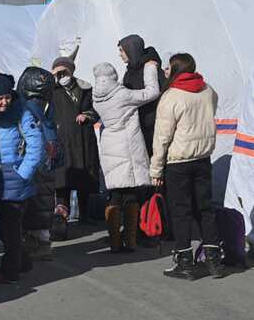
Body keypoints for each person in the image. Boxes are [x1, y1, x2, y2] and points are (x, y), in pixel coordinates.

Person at [150, 53, 222, 280]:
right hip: (202, 158)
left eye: (169, 69)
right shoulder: (207, 90)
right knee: (205, 209)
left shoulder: (171, 96)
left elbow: (162, 136)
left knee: (181, 212)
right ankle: (214, 260)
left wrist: (156, 169)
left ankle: (184, 262)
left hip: (178, 162)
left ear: (177, 69)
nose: (165, 72)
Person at [0, 74, 44, 284]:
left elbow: (36, 145)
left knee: (10, 228)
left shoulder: (22, 114)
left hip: (15, 178)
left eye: (7, 97)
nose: (4, 102)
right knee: (2, 229)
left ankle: (10, 271)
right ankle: (21, 260)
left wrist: (23, 172)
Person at [91, 59, 160, 253]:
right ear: (113, 76)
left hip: (109, 147)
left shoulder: (97, 98)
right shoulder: (122, 95)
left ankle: (114, 242)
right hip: (127, 148)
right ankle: (129, 241)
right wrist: (150, 68)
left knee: (114, 195)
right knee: (130, 196)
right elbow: (152, 92)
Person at [50, 47, 100, 225]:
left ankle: (85, 216)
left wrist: (87, 115)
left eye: (64, 71)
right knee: (62, 179)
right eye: (58, 72)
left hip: (82, 138)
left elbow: (96, 109)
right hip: (61, 139)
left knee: (83, 178)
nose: (61, 75)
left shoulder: (84, 88)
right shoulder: (52, 91)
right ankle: (61, 218)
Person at [17, 67, 61, 260]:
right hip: (46, 160)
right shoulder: (48, 107)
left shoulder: (23, 107)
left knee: (28, 204)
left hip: (29, 160)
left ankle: (30, 242)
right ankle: (43, 242)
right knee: (44, 201)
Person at [118, 35, 166, 156]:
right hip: (138, 123)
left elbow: (154, 92)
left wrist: (128, 96)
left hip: (151, 124)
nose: (120, 54)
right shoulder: (131, 69)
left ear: (131, 49)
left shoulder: (149, 66)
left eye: (122, 50)